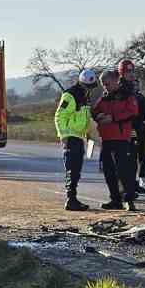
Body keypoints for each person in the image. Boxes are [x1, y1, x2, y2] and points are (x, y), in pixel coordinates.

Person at [92, 69, 139, 211]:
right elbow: (94, 111)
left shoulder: (127, 95)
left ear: (115, 81)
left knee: (124, 171)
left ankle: (129, 200)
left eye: (107, 84)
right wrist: (98, 116)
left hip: (121, 139)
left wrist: (113, 118)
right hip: (106, 139)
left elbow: (132, 112)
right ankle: (115, 200)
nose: (105, 87)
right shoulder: (104, 97)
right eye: (103, 84)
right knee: (108, 171)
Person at [54, 68, 98, 211]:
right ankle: (71, 200)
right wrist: (64, 136)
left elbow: (86, 118)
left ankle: (73, 199)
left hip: (79, 137)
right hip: (71, 137)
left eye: (91, 87)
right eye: (87, 86)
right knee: (72, 169)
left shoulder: (85, 96)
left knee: (76, 170)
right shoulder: (70, 95)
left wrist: (91, 135)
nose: (89, 89)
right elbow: (59, 116)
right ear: (81, 83)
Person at [116, 59, 145, 195]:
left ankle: (132, 185)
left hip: (136, 130)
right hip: (124, 131)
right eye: (128, 72)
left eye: (133, 71)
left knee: (133, 160)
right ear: (122, 73)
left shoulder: (134, 91)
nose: (132, 74)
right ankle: (123, 189)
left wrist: (144, 123)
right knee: (125, 161)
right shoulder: (119, 90)